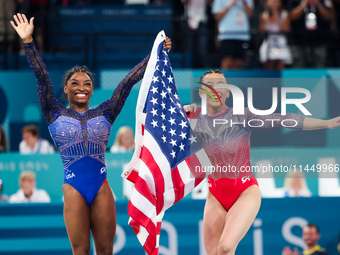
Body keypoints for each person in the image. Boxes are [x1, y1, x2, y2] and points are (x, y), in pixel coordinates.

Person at [10, 13, 171, 255]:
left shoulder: (106, 111)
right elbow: (41, 76)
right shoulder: (53, 111)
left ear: (92, 89)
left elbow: (127, 83)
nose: (81, 87)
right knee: (81, 251)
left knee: (105, 250)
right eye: (74, 83)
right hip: (73, 187)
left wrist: (156, 54)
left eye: (86, 83)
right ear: (65, 89)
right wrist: (29, 42)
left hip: (102, 186)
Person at [183, 70, 340, 255]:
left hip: (245, 192)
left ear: (227, 92)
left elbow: (284, 120)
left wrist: (326, 124)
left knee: (225, 248)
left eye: (220, 86)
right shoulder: (192, 119)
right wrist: (182, 113)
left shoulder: (243, 117)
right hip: (214, 194)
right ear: (201, 92)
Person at [288, 0, 331, 67]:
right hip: (298, 40)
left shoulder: (322, 1)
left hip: (319, 40)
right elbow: (291, 17)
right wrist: (304, 4)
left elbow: (328, 17)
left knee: (320, 65)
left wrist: (318, 4)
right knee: (298, 66)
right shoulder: (294, 1)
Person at [212, 0, 254, 69]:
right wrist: (230, 4)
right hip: (226, 35)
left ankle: (236, 80)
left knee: (238, 63)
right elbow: (217, 17)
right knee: (227, 62)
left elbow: (250, 14)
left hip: (242, 35)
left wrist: (244, 2)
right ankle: (223, 79)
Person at [259, 0, 292, 69]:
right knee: (269, 64)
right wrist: (267, 21)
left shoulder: (284, 14)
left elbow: (287, 29)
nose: (274, 3)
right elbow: (261, 31)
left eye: (276, 1)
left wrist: (277, 20)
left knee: (280, 63)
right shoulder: (263, 15)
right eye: (271, 1)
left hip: (281, 42)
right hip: (269, 42)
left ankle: (280, 79)